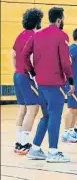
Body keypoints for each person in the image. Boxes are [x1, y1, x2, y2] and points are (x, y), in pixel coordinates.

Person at [23, 7, 73, 163]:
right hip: (55, 83)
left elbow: (24, 54)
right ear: (59, 20)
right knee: (55, 116)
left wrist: (32, 72)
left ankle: (35, 149)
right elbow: (65, 62)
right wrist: (71, 80)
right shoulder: (61, 36)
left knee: (46, 116)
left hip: (41, 83)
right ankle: (53, 152)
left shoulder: (37, 35)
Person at [12, 8, 43, 155]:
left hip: (17, 75)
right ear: (38, 21)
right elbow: (31, 57)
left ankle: (18, 142)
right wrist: (33, 74)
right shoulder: (34, 36)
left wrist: (17, 69)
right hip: (26, 76)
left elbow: (13, 54)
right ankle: (24, 143)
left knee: (22, 108)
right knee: (33, 108)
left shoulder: (20, 35)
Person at [61, 28, 77, 143]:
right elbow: (67, 66)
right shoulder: (72, 49)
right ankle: (65, 133)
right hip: (73, 85)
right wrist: (70, 82)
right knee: (71, 108)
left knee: (76, 108)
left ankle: (71, 131)